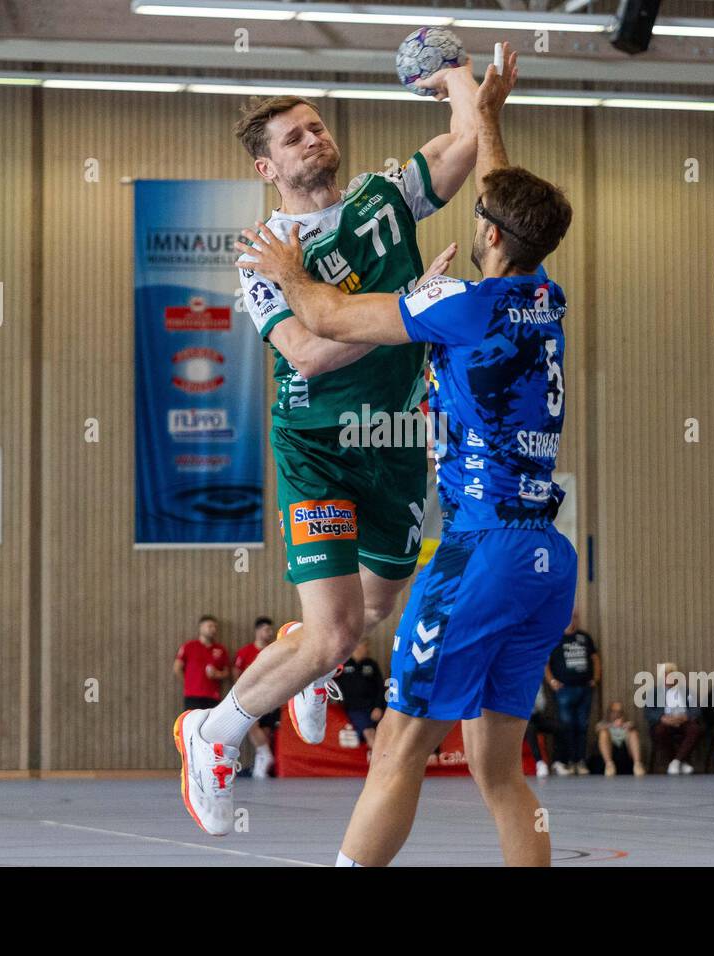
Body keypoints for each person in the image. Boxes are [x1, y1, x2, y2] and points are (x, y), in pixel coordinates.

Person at [239, 44, 577, 867]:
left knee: (397, 750)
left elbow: (322, 323)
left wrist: (289, 273)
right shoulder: (541, 294)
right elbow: (499, 192)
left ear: (488, 234)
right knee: (500, 771)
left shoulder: (454, 303)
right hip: (548, 560)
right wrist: (475, 106)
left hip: (480, 554)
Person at [173, 53, 482, 838]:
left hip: (400, 438)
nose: (313, 138)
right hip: (316, 445)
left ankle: (307, 654)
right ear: (266, 164)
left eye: (315, 125)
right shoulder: (265, 255)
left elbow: (465, 147)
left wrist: (465, 84)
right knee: (339, 631)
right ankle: (215, 731)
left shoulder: (384, 197)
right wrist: (410, 309)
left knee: (374, 607)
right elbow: (306, 353)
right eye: (293, 136)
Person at [545, 610, 599, 775]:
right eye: (569, 617)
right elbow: (545, 662)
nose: (572, 620)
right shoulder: (555, 638)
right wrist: (552, 681)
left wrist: (595, 679)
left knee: (582, 726)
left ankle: (580, 761)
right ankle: (567, 760)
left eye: (574, 617)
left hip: (584, 688)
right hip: (564, 689)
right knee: (567, 726)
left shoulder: (584, 637)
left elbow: (595, 659)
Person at [232, 617, 278, 779]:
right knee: (251, 724)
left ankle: (261, 766)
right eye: (266, 630)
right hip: (252, 695)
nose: (270, 633)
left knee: (265, 731)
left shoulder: (274, 650)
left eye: (271, 630)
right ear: (258, 631)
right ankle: (265, 756)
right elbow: (236, 674)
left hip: (272, 695)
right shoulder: (245, 652)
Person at [645, 664, 703, 774]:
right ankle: (680, 762)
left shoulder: (687, 691)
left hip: (683, 721)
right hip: (666, 722)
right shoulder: (654, 692)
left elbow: (696, 709)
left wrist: (686, 716)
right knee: (660, 731)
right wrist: (662, 718)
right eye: (666, 674)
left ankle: (676, 762)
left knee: (695, 729)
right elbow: (648, 712)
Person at [335, 639, 385, 748]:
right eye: (365, 646)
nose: (367, 649)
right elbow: (331, 684)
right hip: (355, 709)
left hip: (373, 708)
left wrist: (378, 707)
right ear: (356, 647)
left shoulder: (371, 664)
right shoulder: (343, 666)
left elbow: (381, 688)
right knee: (369, 733)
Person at [173, 615, 229, 712]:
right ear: (201, 627)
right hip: (192, 696)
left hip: (213, 696)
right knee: (191, 724)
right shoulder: (189, 646)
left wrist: (217, 674)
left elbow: (227, 672)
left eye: (215, 627)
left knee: (211, 726)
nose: (213, 629)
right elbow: (177, 668)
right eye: (210, 626)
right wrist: (188, 684)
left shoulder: (221, 649)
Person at [597, 701, 646, 777]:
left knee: (633, 733)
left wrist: (625, 725)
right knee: (603, 734)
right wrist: (612, 725)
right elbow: (598, 727)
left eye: (619, 711)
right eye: (614, 711)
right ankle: (609, 765)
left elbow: (633, 725)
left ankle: (637, 764)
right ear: (610, 712)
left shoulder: (626, 724)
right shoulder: (605, 724)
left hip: (625, 752)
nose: (617, 714)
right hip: (611, 751)